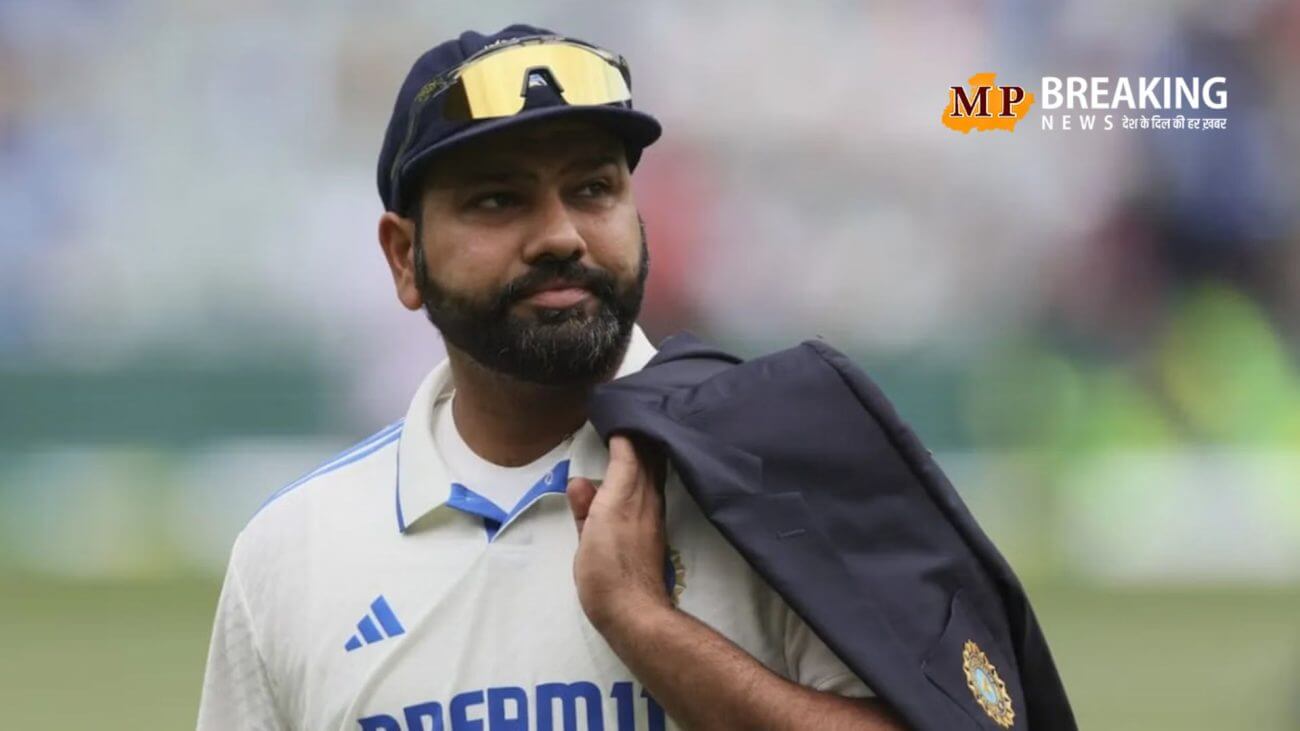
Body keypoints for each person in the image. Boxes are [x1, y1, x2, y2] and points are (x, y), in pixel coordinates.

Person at [197, 24, 905, 731]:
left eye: (593, 188)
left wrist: (643, 621)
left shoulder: (780, 476)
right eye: (498, 199)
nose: (561, 235)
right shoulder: (291, 553)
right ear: (404, 257)